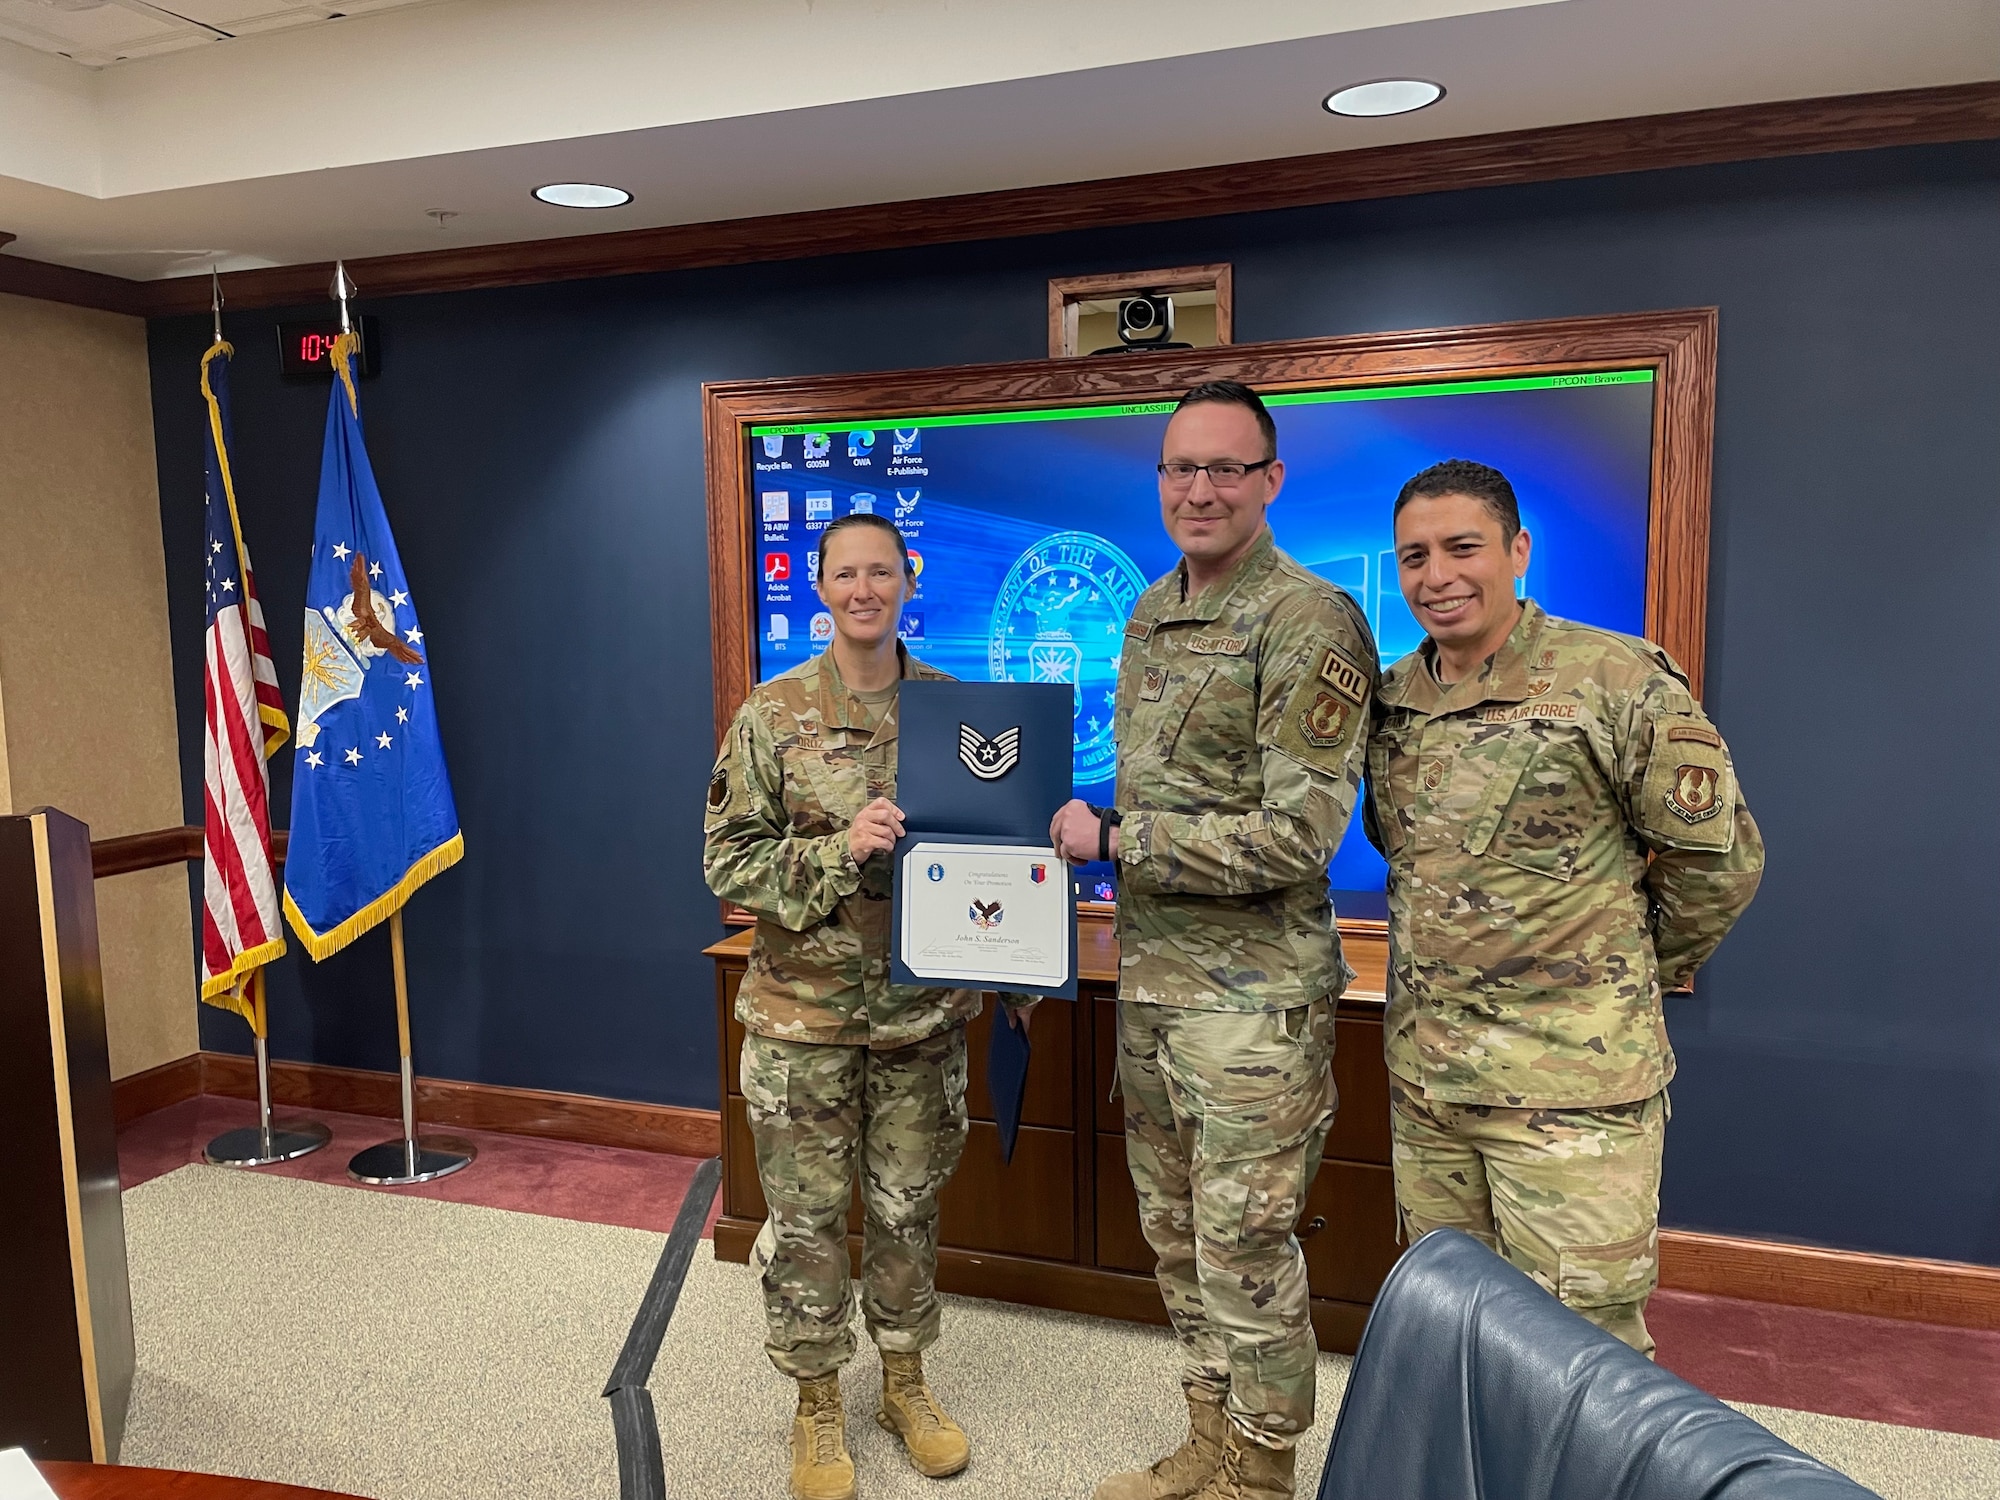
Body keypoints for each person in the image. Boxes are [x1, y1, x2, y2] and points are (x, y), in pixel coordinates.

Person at [1051, 381, 1377, 1500]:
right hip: (1151, 986)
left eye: (1224, 469)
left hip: (1251, 1010)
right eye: (1178, 468)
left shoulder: (1307, 616)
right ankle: (1209, 1436)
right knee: (1177, 1241)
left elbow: (1297, 834)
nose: (1198, 489)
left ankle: (1263, 1472)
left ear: (1269, 482)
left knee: (1245, 1252)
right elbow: (1172, 791)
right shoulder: (1148, 610)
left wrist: (1114, 835)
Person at [1365, 458, 1764, 1356]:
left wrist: (1612, 978)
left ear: (1518, 550)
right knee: (1449, 1337)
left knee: (1585, 1365)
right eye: (1414, 556)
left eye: (1462, 548)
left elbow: (1719, 866)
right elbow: (1412, 861)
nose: (1437, 577)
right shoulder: (1394, 703)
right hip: (1430, 1091)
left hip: (1570, 1100)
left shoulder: (1615, 681)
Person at [704, 511, 1013, 1500]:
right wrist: (840, 850)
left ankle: (905, 1383)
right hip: (804, 1023)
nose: (864, 590)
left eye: (882, 572)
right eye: (846, 574)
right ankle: (816, 1399)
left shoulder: (958, 711)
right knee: (802, 1224)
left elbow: (994, 854)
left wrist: (1023, 911)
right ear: (821, 585)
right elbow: (728, 862)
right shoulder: (774, 712)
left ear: (907, 579)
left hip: (920, 1021)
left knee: (907, 1212)